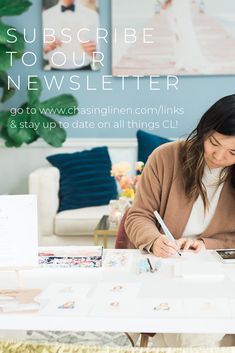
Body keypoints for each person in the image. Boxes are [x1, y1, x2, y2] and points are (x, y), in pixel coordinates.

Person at [125, 94, 235, 347]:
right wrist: (153, 240)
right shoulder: (166, 157)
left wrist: (208, 244)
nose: (219, 156)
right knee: (184, 329)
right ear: (204, 130)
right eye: (214, 143)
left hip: (221, 271)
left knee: (197, 329)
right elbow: (139, 215)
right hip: (169, 263)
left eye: (233, 152)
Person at [43, 0, 99, 70]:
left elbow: (100, 50)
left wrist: (95, 51)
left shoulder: (92, 15)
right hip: (55, 71)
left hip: (85, 70)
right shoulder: (45, 16)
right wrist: (45, 49)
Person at [161, 0, 210, 73]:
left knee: (182, 29)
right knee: (183, 28)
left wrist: (167, 2)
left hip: (179, 4)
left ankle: (186, 59)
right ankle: (184, 58)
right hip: (180, 3)